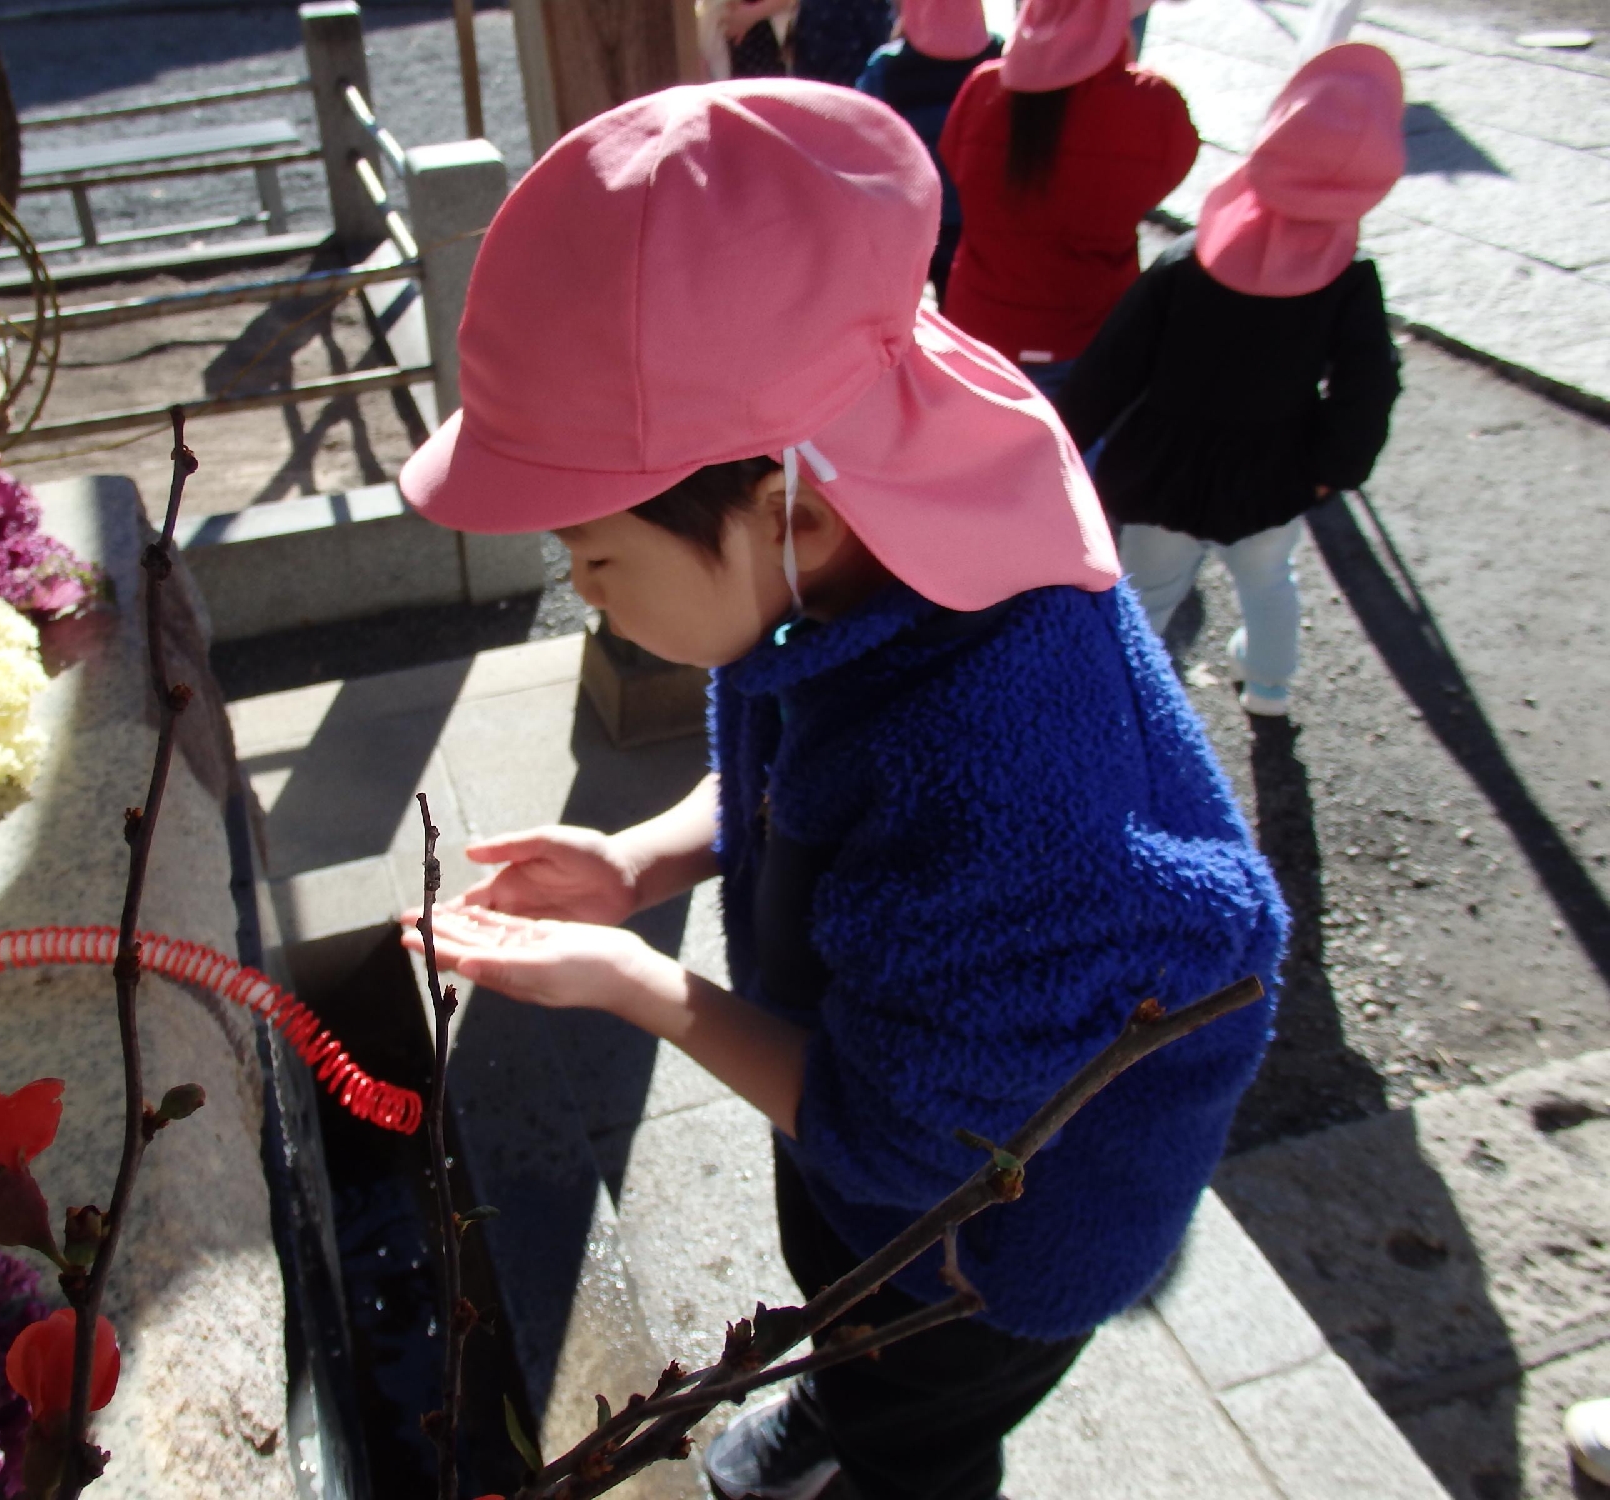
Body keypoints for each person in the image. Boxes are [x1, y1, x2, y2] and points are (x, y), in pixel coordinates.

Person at [394, 79, 1286, 1500]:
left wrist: (637, 984)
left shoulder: (1007, 790)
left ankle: (876, 1450)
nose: (588, 601)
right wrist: (642, 864)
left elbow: (894, 1128)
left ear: (783, 508)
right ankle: (834, 1407)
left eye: (601, 561)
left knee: (916, 1417)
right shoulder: (878, 541)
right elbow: (804, 787)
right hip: (905, 1081)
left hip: (990, 1233)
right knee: (843, 1325)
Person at [1056, 42, 1404, 718]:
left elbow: (1112, 364)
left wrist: (1067, 440)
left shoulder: (1188, 261)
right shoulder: (1350, 280)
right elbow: (1369, 384)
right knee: (1270, 581)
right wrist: (1337, 467)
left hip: (1163, 464)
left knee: (1148, 592)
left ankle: (1129, 698)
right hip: (1277, 466)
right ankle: (1269, 686)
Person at [938, 0, 1198, 395]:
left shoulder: (982, 88)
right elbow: (1171, 170)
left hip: (979, 320)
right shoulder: (1155, 103)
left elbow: (952, 159)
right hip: (1085, 325)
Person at [855, 0, 1003, 298]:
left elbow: (861, 143)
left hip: (912, 221)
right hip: (980, 220)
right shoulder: (998, 58)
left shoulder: (887, 68)